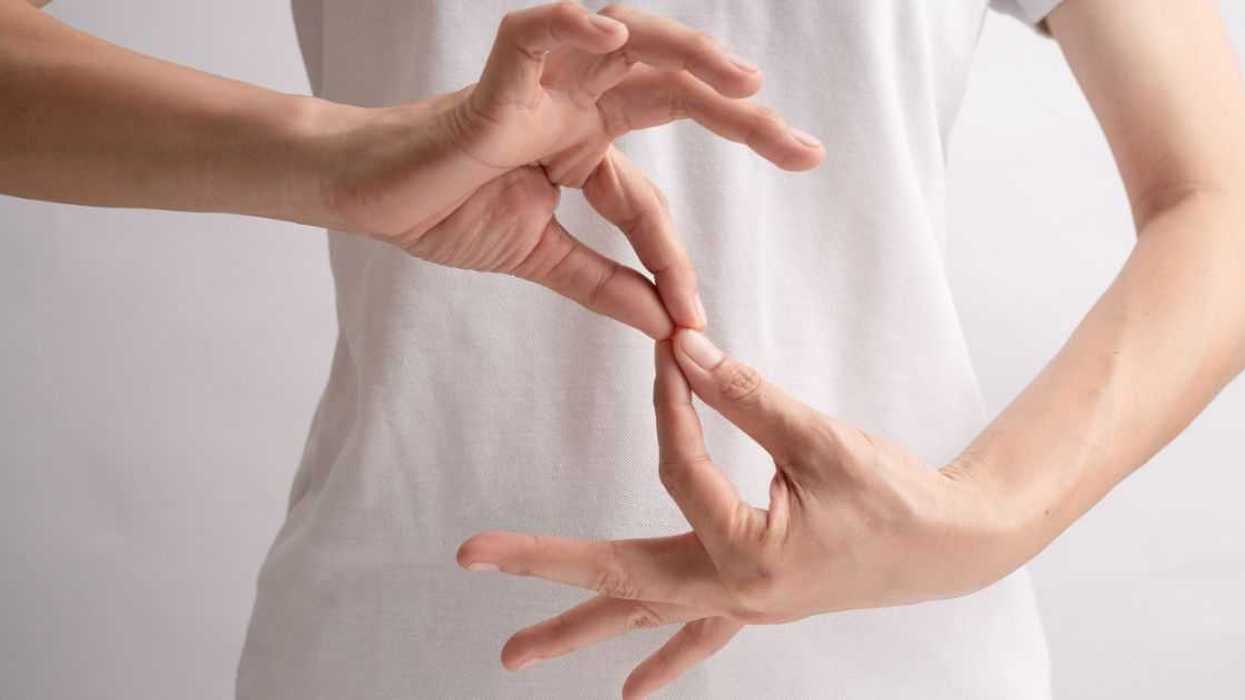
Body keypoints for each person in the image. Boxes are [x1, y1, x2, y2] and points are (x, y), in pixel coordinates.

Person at [3, 0, 1243, 698]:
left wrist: (986, 514)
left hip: (903, 665)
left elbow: (1221, 196)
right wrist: (335, 155)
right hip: (400, 653)